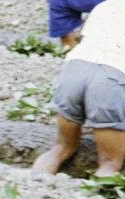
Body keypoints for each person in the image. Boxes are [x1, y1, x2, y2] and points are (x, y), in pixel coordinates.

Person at [32, 0, 125, 177]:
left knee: (60, 147)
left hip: (74, 69)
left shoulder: (104, 6)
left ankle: (35, 185)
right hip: (111, 76)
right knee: (109, 163)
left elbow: (75, 39)